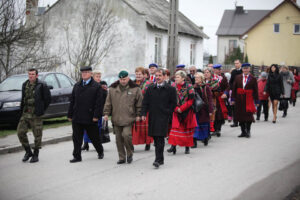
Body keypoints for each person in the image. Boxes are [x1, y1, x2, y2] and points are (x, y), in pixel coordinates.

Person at [103, 70, 143, 164]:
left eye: (124, 79)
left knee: (126, 135)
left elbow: (140, 103)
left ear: (128, 78)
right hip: (116, 117)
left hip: (129, 117)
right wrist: (106, 114)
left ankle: (129, 153)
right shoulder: (113, 89)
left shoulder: (135, 88)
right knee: (118, 139)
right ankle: (121, 157)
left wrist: (138, 114)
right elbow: (108, 103)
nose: (123, 81)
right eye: (121, 79)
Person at [68, 66, 105, 163]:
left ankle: (100, 151)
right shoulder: (77, 85)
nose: (84, 74)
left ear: (91, 74)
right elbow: (72, 101)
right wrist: (70, 114)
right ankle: (77, 156)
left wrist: (96, 116)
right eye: (82, 72)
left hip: (90, 117)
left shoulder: (96, 86)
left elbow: (99, 103)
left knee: (94, 137)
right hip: (77, 116)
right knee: (76, 138)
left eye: (86, 72)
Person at [141, 69, 177, 168]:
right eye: (156, 75)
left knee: (160, 138)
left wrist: (167, 112)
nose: (157, 77)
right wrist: (143, 113)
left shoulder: (170, 89)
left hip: (163, 117)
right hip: (152, 116)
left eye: (160, 75)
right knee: (156, 138)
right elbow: (145, 102)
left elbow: (174, 104)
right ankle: (160, 159)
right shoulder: (150, 88)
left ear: (164, 76)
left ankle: (158, 159)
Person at [17, 68, 51, 163]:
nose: (31, 76)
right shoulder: (25, 84)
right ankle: (28, 151)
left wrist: (41, 110)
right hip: (26, 112)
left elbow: (48, 99)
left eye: (32, 74)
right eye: (29, 74)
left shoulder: (42, 85)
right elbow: (23, 98)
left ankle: (36, 154)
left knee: (37, 135)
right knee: (20, 132)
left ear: (36, 75)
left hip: (36, 114)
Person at [167, 70, 197, 154]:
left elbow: (191, 100)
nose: (175, 78)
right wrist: (176, 108)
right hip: (176, 111)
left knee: (186, 129)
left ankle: (187, 147)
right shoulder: (172, 86)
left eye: (178, 77)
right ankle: (173, 146)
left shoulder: (189, 86)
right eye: (175, 77)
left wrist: (182, 108)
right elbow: (170, 99)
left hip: (187, 111)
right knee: (175, 128)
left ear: (183, 78)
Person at [81, 70, 107, 151]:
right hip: (87, 111)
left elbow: (105, 99)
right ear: (93, 77)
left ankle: (98, 144)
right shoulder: (88, 85)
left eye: (99, 77)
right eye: (97, 77)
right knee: (85, 129)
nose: (99, 78)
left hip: (98, 111)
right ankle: (85, 143)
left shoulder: (102, 86)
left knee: (97, 129)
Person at [232, 63, 259, 138]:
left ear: (249, 69)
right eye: (244, 68)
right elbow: (234, 88)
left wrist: (257, 101)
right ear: (242, 69)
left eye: (247, 68)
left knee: (249, 116)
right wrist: (233, 99)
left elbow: (256, 90)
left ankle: (248, 131)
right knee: (240, 116)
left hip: (249, 99)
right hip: (239, 99)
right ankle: (243, 131)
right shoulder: (237, 77)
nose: (245, 70)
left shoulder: (253, 78)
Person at [132, 67, 153, 151]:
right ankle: (132, 144)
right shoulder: (132, 83)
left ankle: (147, 143)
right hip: (134, 108)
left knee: (145, 128)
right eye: (136, 74)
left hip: (146, 108)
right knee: (134, 128)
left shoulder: (149, 84)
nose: (138, 75)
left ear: (144, 75)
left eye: (139, 74)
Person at [192, 72, 213, 148]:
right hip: (195, 109)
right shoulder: (193, 87)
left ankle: (205, 138)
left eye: (197, 77)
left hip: (204, 109)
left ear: (201, 79)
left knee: (203, 124)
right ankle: (194, 142)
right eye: (195, 77)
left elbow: (210, 99)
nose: (196, 79)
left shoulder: (206, 87)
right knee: (195, 125)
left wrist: (210, 110)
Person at [211, 64, 229, 137]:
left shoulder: (223, 78)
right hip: (213, 98)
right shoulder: (211, 78)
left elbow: (227, 87)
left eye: (218, 70)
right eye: (215, 70)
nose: (217, 71)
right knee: (213, 114)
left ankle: (218, 129)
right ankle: (214, 129)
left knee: (220, 114)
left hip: (220, 98)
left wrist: (225, 93)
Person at [203, 67, 219, 134]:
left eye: (207, 72)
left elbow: (217, 92)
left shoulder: (214, 82)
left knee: (211, 114)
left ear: (211, 73)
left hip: (211, 100)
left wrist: (210, 92)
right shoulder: (202, 81)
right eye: (205, 72)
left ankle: (210, 130)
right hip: (203, 101)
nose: (206, 74)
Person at [229, 59, 243, 127]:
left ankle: (241, 121)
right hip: (234, 92)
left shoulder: (243, 71)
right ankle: (235, 122)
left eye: (237, 63)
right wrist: (232, 88)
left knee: (241, 107)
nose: (236, 65)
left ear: (240, 64)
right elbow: (231, 81)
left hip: (241, 91)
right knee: (234, 107)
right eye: (235, 63)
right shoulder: (233, 72)